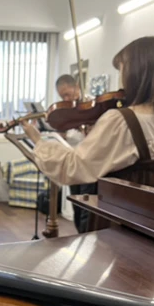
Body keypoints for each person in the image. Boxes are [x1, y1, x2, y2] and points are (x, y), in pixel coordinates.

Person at [22, 36, 154, 233]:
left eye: (122, 71)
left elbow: (72, 167)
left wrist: (38, 141)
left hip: (122, 216)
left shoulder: (120, 120)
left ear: (135, 74)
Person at [54, 73, 94, 233]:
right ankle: (79, 236)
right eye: (62, 97)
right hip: (73, 163)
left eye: (67, 94)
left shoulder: (93, 106)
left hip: (90, 165)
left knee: (86, 207)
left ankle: (87, 238)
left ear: (77, 87)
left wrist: (90, 129)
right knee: (76, 205)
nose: (66, 99)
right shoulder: (67, 110)